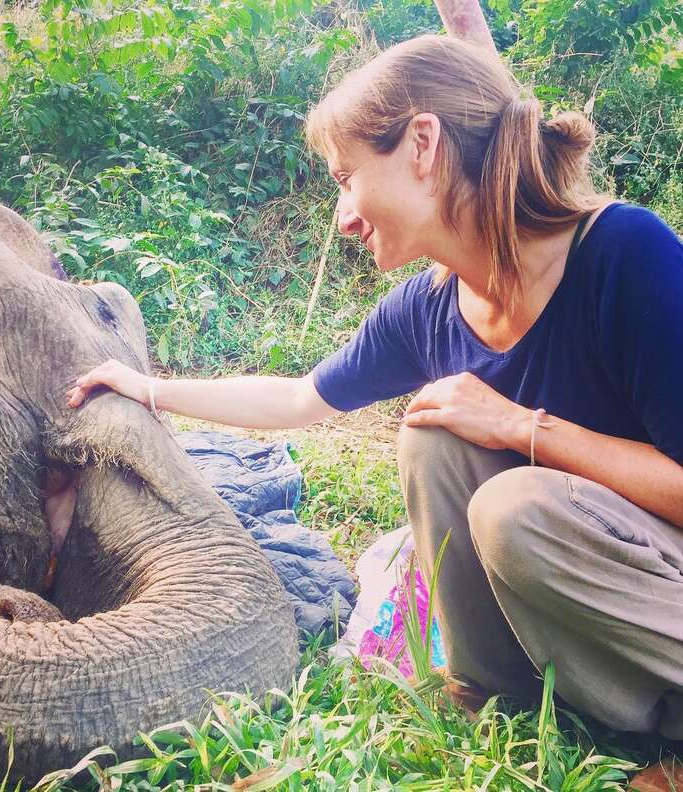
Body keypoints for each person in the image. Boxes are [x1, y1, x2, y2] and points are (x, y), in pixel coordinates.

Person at [66, 34, 683, 786]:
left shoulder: (625, 253)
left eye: (346, 178)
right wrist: (149, 388)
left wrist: (525, 429)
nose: (342, 216)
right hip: (593, 613)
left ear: (423, 143)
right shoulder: (426, 308)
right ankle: (500, 696)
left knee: (514, 504)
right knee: (434, 440)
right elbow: (299, 399)